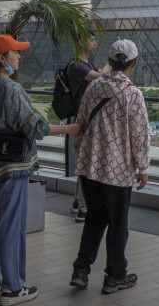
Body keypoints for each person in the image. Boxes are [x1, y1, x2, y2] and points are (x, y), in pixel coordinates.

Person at [0, 34, 80, 306]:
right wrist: (69, 128)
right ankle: (12, 287)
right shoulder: (11, 90)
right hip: (12, 166)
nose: (19, 57)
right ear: (1, 59)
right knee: (11, 226)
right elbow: (35, 127)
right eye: (15, 53)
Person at [69, 39, 150, 295]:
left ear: (111, 60)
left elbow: (80, 125)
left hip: (89, 166)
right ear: (132, 63)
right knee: (118, 224)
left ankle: (80, 272)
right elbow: (139, 135)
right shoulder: (132, 94)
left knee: (94, 218)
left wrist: (82, 155)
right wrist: (142, 167)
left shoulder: (93, 87)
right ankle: (115, 276)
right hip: (117, 171)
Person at [67, 35, 103, 223]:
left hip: (87, 119)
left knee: (84, 161)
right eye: (91, 40)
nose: (95, 43)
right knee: (85, 162)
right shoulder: (76, 65)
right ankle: (83, 207)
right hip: (82, 120)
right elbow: (98, 77)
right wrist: (112, 64)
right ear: (80, 41)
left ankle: (76, 202)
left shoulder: (87, 63)